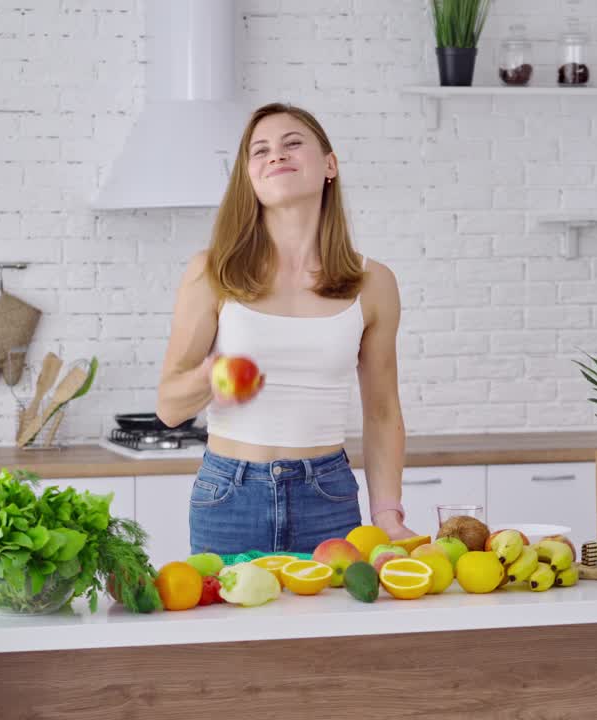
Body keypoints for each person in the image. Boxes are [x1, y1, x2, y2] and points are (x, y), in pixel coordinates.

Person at [156, 102, 418, 556]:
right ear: (249, 177)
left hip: (328, 494)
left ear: (329, 164)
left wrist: (388, 515)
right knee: (229, 628)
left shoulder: (374, 284)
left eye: (292, 143)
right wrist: (211, 378)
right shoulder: (212, 271)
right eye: (260, 150)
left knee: (332, 628)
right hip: (229, 493)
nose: (276, 154)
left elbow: (382, 412)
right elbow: (169, 408)